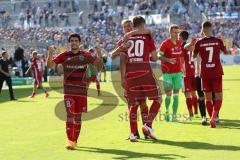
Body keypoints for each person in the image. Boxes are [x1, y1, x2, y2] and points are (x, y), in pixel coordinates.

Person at [46, 33, 103, 150]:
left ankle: (74, 140)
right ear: (69, 43)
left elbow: (99, 65)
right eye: (72, 40)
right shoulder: (64, 55)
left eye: (76, 40)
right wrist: (50, 53)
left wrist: (99, 52)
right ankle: (69, 141)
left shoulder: (86, 55)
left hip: (81, 92)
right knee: (69, 115)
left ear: (79, 43)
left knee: (78, 117)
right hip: (69, 91)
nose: (74, 42)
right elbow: (50, 65)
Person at [119, 16, 161, 141]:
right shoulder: (148, 36)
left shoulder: (126, 39)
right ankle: (147, 125)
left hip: (130, 75)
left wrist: (122, 78)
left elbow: (122, 60)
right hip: (144, 71)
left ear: (132, 25)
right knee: (158, 98)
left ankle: (134, 133)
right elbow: (154, 57)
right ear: (143, 24)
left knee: (137, 103)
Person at [193, 21, 229, 128]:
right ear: (211, 29)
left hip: (205, 73)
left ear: (202, 30)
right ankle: (214, 117)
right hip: (216, 72)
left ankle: (211, 118)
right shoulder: (218, 41)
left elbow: (194, 56)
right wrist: (221, 44)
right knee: (218, 98)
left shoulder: (199, 43)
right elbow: (226, 52)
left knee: (207, 98)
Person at [159, 25, 183, 122]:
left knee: (176, 95)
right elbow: (158, 56)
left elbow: (181, 56)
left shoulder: (180, 43)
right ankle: (167, 111)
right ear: (170, 33)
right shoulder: (165, 44)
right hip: (167, 73)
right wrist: (168, 59)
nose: (177, 34)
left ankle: (174, 115)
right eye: (175, 32)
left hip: (178, 73)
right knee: (168, 94)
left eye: (178, 33)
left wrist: (183, 67)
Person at [179, 30, 198, 120]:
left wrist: (182, 71)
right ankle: (196, 112)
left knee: (187, 94)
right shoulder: (191, 46)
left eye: (179, 37)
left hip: (186, 73)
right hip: (193, 71)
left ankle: (190, 115)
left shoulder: (182, 46)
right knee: (193, 93)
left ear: (181, 37)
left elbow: (182, 60)